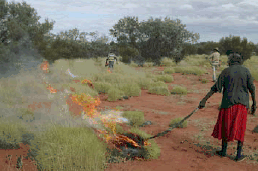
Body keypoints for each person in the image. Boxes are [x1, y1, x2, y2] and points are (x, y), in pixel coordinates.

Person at [198, 52, 256, 162]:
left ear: (229, 61)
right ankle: (238, 155)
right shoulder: (246, 71)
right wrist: (255, 104)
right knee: (240, 128)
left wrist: (203, 100)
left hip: (227, 104)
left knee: (225, 126)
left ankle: (223, 151)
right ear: (240, 61)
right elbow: (252, 89)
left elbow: (215, 88)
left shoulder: (226, 71)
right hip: (242, 105)